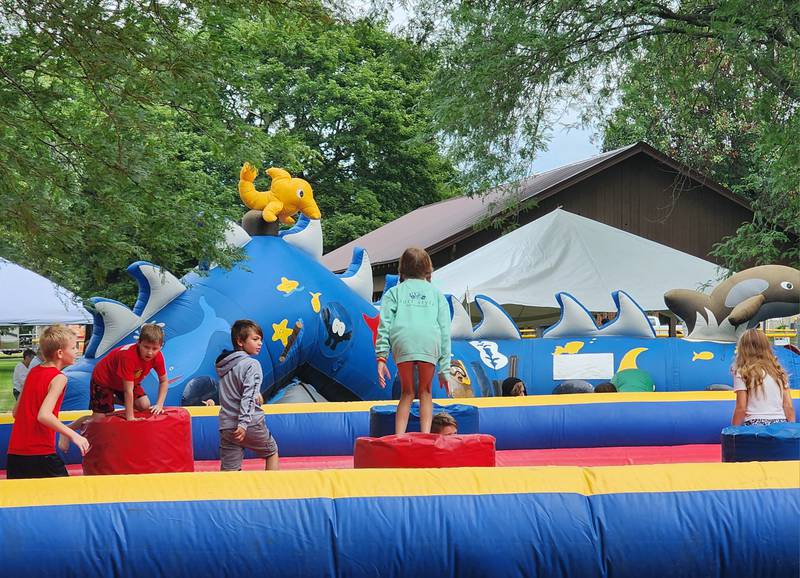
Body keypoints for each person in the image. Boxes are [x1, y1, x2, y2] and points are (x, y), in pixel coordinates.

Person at [376, 247, 451, 435]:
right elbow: (444, 331)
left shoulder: (395, 292)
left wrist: (381, 357)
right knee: (426, 392)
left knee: (406, 393)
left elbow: (384, 324)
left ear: (402, 269)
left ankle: (399, 437)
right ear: (427, 269)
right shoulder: (436, 294)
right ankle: (425, 436)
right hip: (428, 340)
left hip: (404, 340)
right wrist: (445, 370)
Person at [6, 326, 90, 479]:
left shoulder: (33, 372)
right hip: (40, 454)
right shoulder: (59, 377)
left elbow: (16, 413)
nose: (77, 351)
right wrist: (73, 435)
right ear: (60, 353)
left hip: (15, 453)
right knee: (67, 498)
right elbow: (44, 415)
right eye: (73, 347)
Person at [216, 320, 279, 471]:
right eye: (255, 339)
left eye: (261, 340)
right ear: (240, 341)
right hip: (248, 424)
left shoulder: (225, 366)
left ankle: (229, 494)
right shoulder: (252, 364)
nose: (260, 343)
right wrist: (243, 424)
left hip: (227, 426)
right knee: (272, 452)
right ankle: (273, 492)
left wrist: (257, 394)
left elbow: (237, 391)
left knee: (230, 470)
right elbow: (248, 397)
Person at [731, 328, 795, 426]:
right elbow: (788, 406)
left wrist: (733, 430)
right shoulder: (778, 371)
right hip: (779, 423)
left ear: (743, 349)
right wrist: (791, 429)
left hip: (754, 424)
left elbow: (741, 407)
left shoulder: (742, 371)